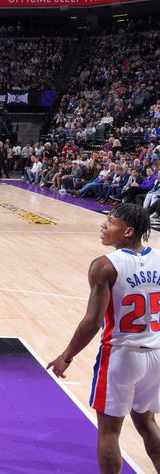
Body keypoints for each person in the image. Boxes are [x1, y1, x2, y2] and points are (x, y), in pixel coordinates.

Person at [47, 203, 160, 474]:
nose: (103, 225)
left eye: (110, 222)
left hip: (121, 354)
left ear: (129, 231)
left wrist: (66, 356)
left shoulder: (104, 266)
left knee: (109, 432)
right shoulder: (159, 259)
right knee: (147, 423)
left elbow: (92, 322)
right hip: (155, 354)